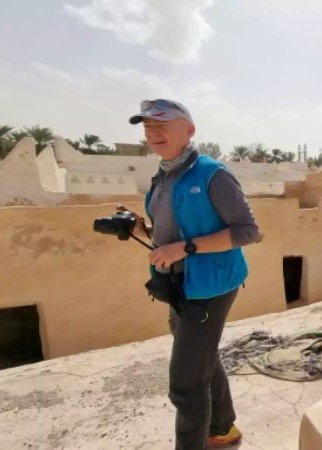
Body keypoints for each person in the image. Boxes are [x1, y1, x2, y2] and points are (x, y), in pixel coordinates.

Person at [119, 99, 260, 449]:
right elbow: (173, 228)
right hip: (178, 283)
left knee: (185, 384)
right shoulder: (164, 175)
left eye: (162, 126)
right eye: (148, 127)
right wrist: (141, 226)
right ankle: (222, 428)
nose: (153, 134)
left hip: (210, 285)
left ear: (189, 130)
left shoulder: (212, 174)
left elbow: (248, 231)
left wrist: (184, 249)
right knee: (202, 356)